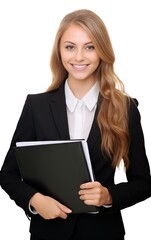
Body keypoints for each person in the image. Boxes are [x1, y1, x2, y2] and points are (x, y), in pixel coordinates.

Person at [0, 8, 151, 240]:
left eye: (89, 47)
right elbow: (8, 174)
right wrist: (34, 200)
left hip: (103, 234)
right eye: (70, 47)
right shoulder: (36, 106)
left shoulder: (125, 108)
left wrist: (109, 196)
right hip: (48, 233)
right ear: (59, 52)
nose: (79, 57)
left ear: (102, 51)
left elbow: (143, 182)